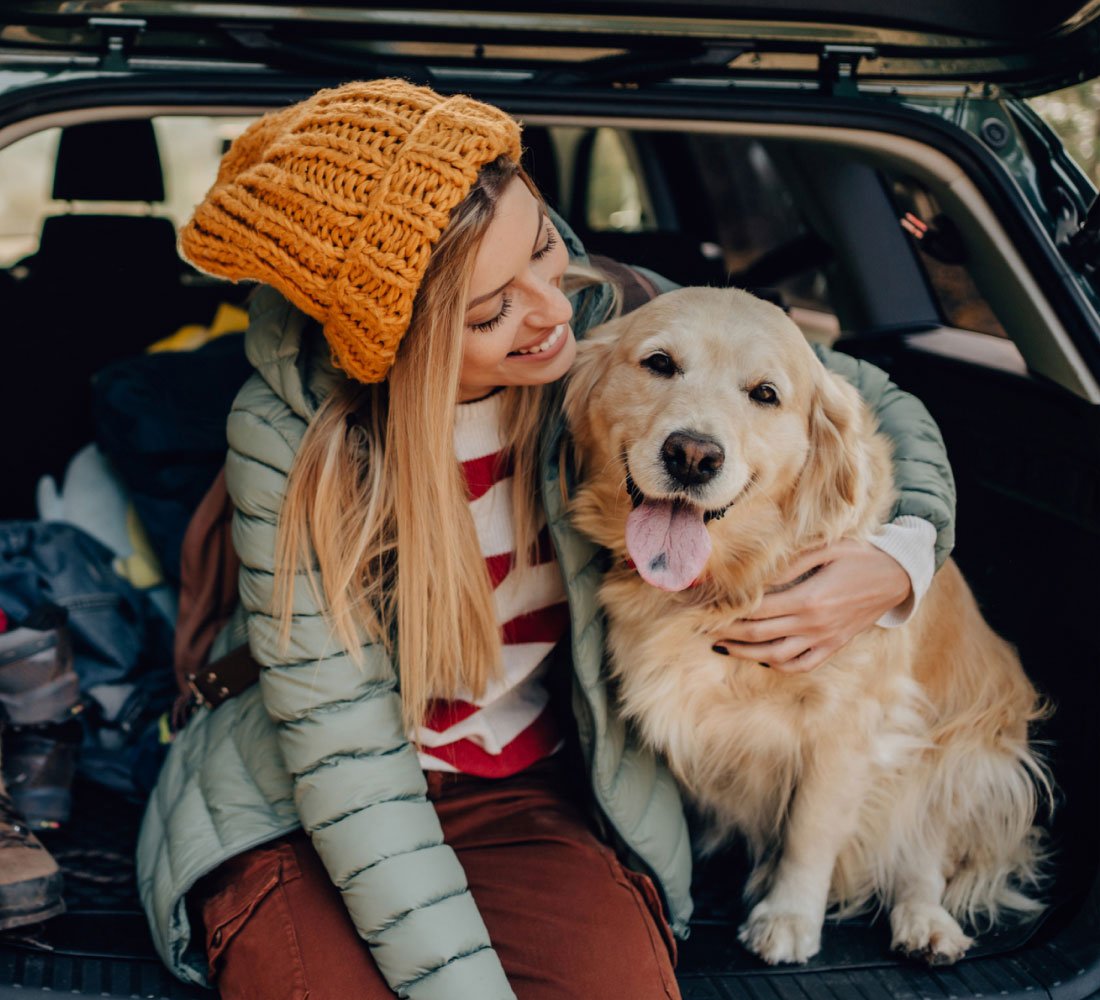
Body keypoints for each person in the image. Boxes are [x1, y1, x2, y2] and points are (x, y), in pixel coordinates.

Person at [136, 79, 956, 1000]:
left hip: (530, 786)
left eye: (541, 247)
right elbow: (347, 766)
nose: (553, 310)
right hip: (312, 796)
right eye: (491, 311)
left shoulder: (611, 322)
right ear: (394, 336)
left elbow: (872, 400)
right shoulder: (289, 435)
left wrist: (902, 556)